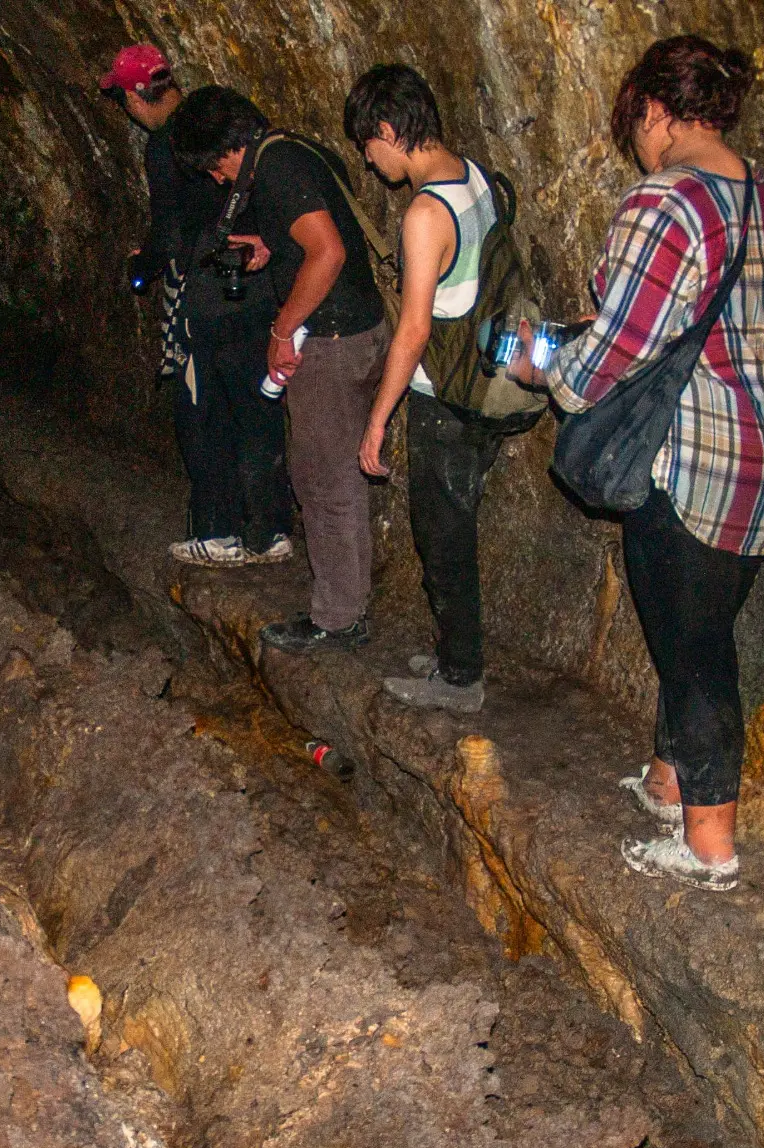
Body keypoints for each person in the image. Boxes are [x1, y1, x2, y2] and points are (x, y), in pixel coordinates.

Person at [512, 36, 764, 891]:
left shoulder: (667, 201)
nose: (635, 143)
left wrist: (541, 366)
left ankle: (710, 844)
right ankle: (669, 780)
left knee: (695, 649)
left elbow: (613, 352)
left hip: (695, 453)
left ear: (653, 108)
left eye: (633, 124)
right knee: (700, 622)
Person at [170, 86, 389, 653]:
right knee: (338, 476)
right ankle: (348, 603)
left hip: (332, 340)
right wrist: (273, 248)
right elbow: (318, 233)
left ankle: (338, 618)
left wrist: (281, 328)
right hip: (359, 328)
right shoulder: (293, 149)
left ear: (229, 147)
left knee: (322, 479)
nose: (218, 180)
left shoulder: (276, 169)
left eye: (215, 166)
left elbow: (329, 252)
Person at [346, 64, 505, 715]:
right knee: (454, 524)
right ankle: (452, 651)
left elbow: (412, 329)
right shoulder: (474, 176)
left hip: (443, 396)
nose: (368, 159)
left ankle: (461, 677)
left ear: (387, 130)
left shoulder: (423, 213)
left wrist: (378, 419)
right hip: (484, 382)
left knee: (443, 535)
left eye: (367, 145)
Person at [100, 46, 295, 569]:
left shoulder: (169, 145)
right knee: (257, 404)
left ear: (137, 97)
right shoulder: (223, 128)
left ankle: (218, 529)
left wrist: (151, 259)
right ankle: (271, 528)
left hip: (205, 295)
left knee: (201, 410)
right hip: (256, 287)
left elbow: (171, 227)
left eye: (121, 97)